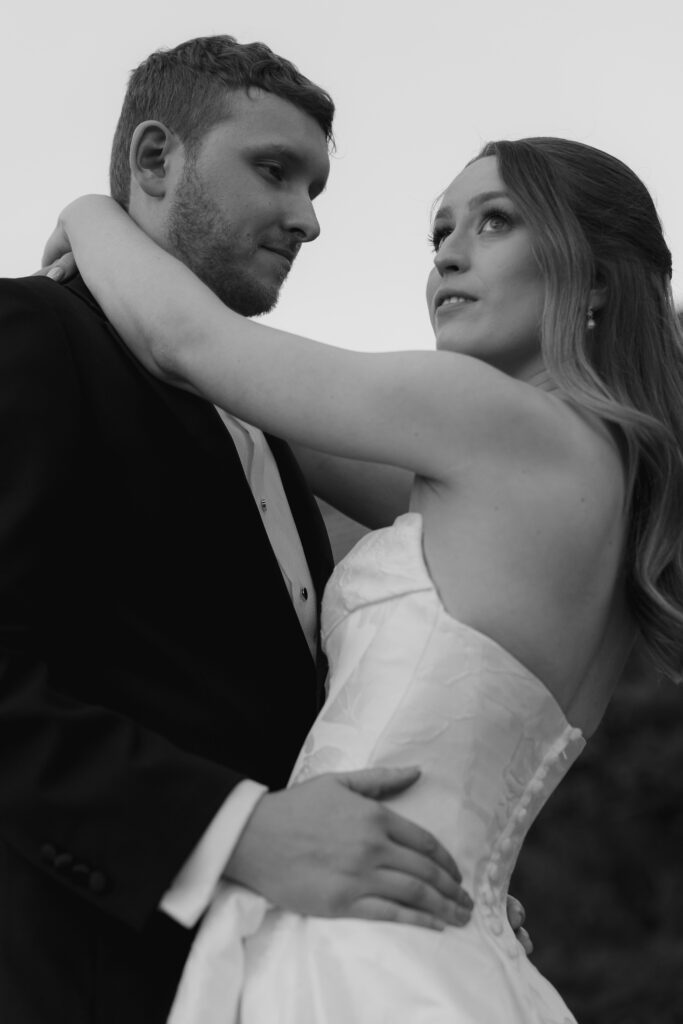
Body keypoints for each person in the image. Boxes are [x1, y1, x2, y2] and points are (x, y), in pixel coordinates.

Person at [44, 137, 683, 1022]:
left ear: (597, 277)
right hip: (449, 933)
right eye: (439, 233)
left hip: (357, 944)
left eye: (495, 222)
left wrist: (91, 214)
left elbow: (190, 346)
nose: (450, 254)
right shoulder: (584, 479)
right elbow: (260, 422)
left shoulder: (495, 422)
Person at [0, 35, 479, 1024]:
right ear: (152, 160)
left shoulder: (266, 419)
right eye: (273, 171)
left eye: (314, 188)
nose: (305, 218)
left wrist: (408, 869)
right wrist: (235, 829)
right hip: (84, 974)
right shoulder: (35, 337)